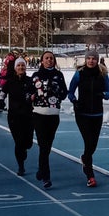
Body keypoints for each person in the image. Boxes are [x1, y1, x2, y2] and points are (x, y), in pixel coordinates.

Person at [67, 49, 109, 187]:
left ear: (97, 60)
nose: (91, 61)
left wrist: (104, 95)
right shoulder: (79, 73)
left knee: (93, 145)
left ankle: (85, 158)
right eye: (89, 58)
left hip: (97, 114)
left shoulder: (103, 74)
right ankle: (90, 175)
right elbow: (70, 91)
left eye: (93, 58)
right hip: (82, 114)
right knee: (88, 142)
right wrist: (74, 101)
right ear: (85, 60)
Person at [30, 50, 68, 189]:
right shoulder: (36, 76)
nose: (49, 60)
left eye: (51, 58)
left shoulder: (59, 75)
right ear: (42, 61)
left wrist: (56, 93)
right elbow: (28, 92)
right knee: (43, 145)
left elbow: (64, 93)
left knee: (47, 146)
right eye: (46, 58)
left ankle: (41, 169)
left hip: (53, 114)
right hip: (39, 114)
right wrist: (32, 96)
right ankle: (46, 177)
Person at [2, 56, 34, 175]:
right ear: (15, 68)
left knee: (28, 143)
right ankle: (21, 166)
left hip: (28, 116)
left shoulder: (30, 81)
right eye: (18, 65)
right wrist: (1, 101)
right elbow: (2, 93)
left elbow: (37, 92)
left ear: (26, 67)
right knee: (19, 142)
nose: (21, 67)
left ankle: (24, 148)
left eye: (23, 65)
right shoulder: (10, 81)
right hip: (14, 116)